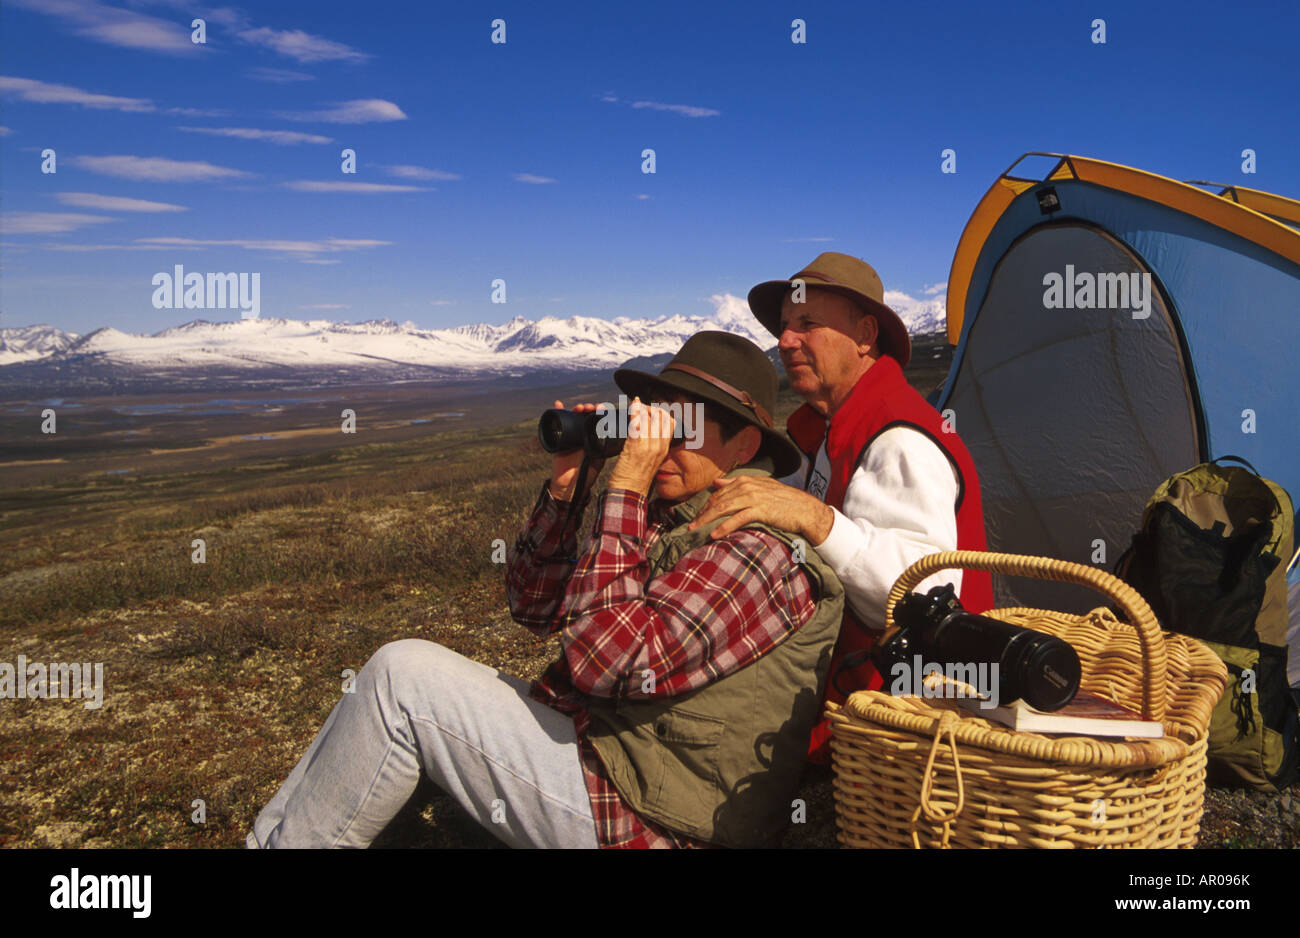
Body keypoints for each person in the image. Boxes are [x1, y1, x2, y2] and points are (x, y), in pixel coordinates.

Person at [246, 331, 843, 849]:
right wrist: (568, 489)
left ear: (744, 446)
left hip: (658, 822)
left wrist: (627, 487)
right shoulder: (681, 515)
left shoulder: (755, 548)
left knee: (401, 680)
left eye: (680, 426)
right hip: (615, 756)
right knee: (394, 678)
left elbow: (607, 662)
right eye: (651, 417)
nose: (657, 442)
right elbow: (535, 608)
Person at [690, 252, 994, 761]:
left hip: (905, 717)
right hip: (852, 694)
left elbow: (923, 594)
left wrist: (816, 520)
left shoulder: (900, 437)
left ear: (864, 335)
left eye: (807, 324)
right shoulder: (832, 426)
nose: (785, 341)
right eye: (785, 327)